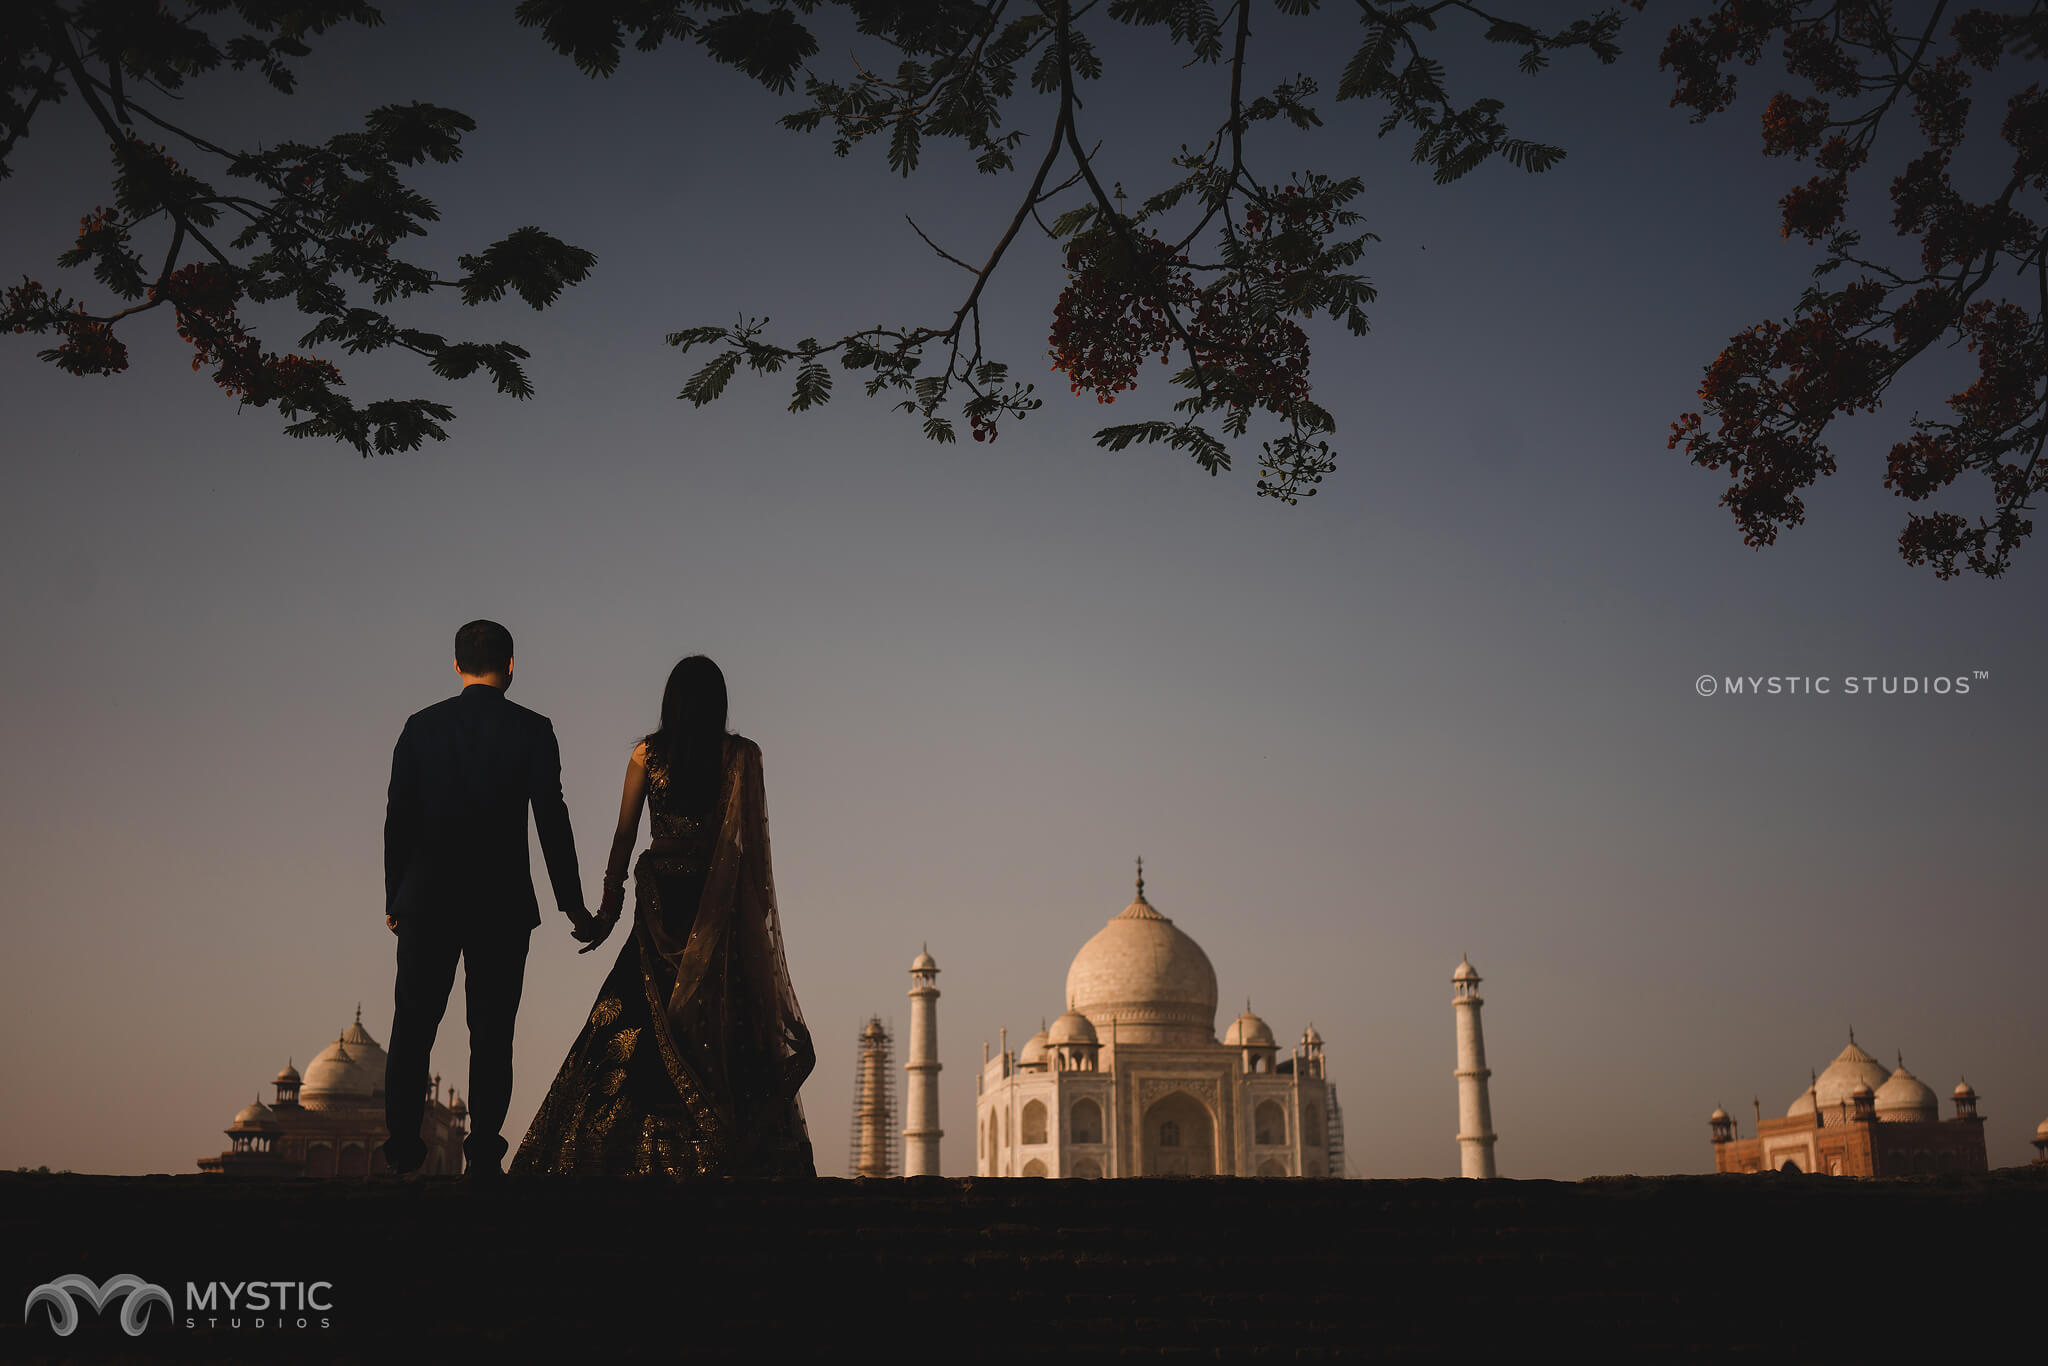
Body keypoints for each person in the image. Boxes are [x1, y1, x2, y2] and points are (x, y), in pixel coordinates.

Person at [512, 655, 816, 1178]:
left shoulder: (648, 755)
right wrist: (754, 915)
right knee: (723, 1028)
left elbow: (624, 836)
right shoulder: (741, 756)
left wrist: (604, 915)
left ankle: (630, 1156)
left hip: (661, 901)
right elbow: (751, 847)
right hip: (717, 909)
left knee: (637, 1026)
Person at [381, 620, 592, 1178]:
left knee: (414, 1024)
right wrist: (572, 903)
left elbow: (398, 818)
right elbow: (552, 820)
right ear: (512, 665)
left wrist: (394, 894)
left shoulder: (421, 728)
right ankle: (483, 1152)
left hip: (427, 900)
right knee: (493, 1029)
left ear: (456, 666)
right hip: (500, 904)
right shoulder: (532, 730)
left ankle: (402, 1147)